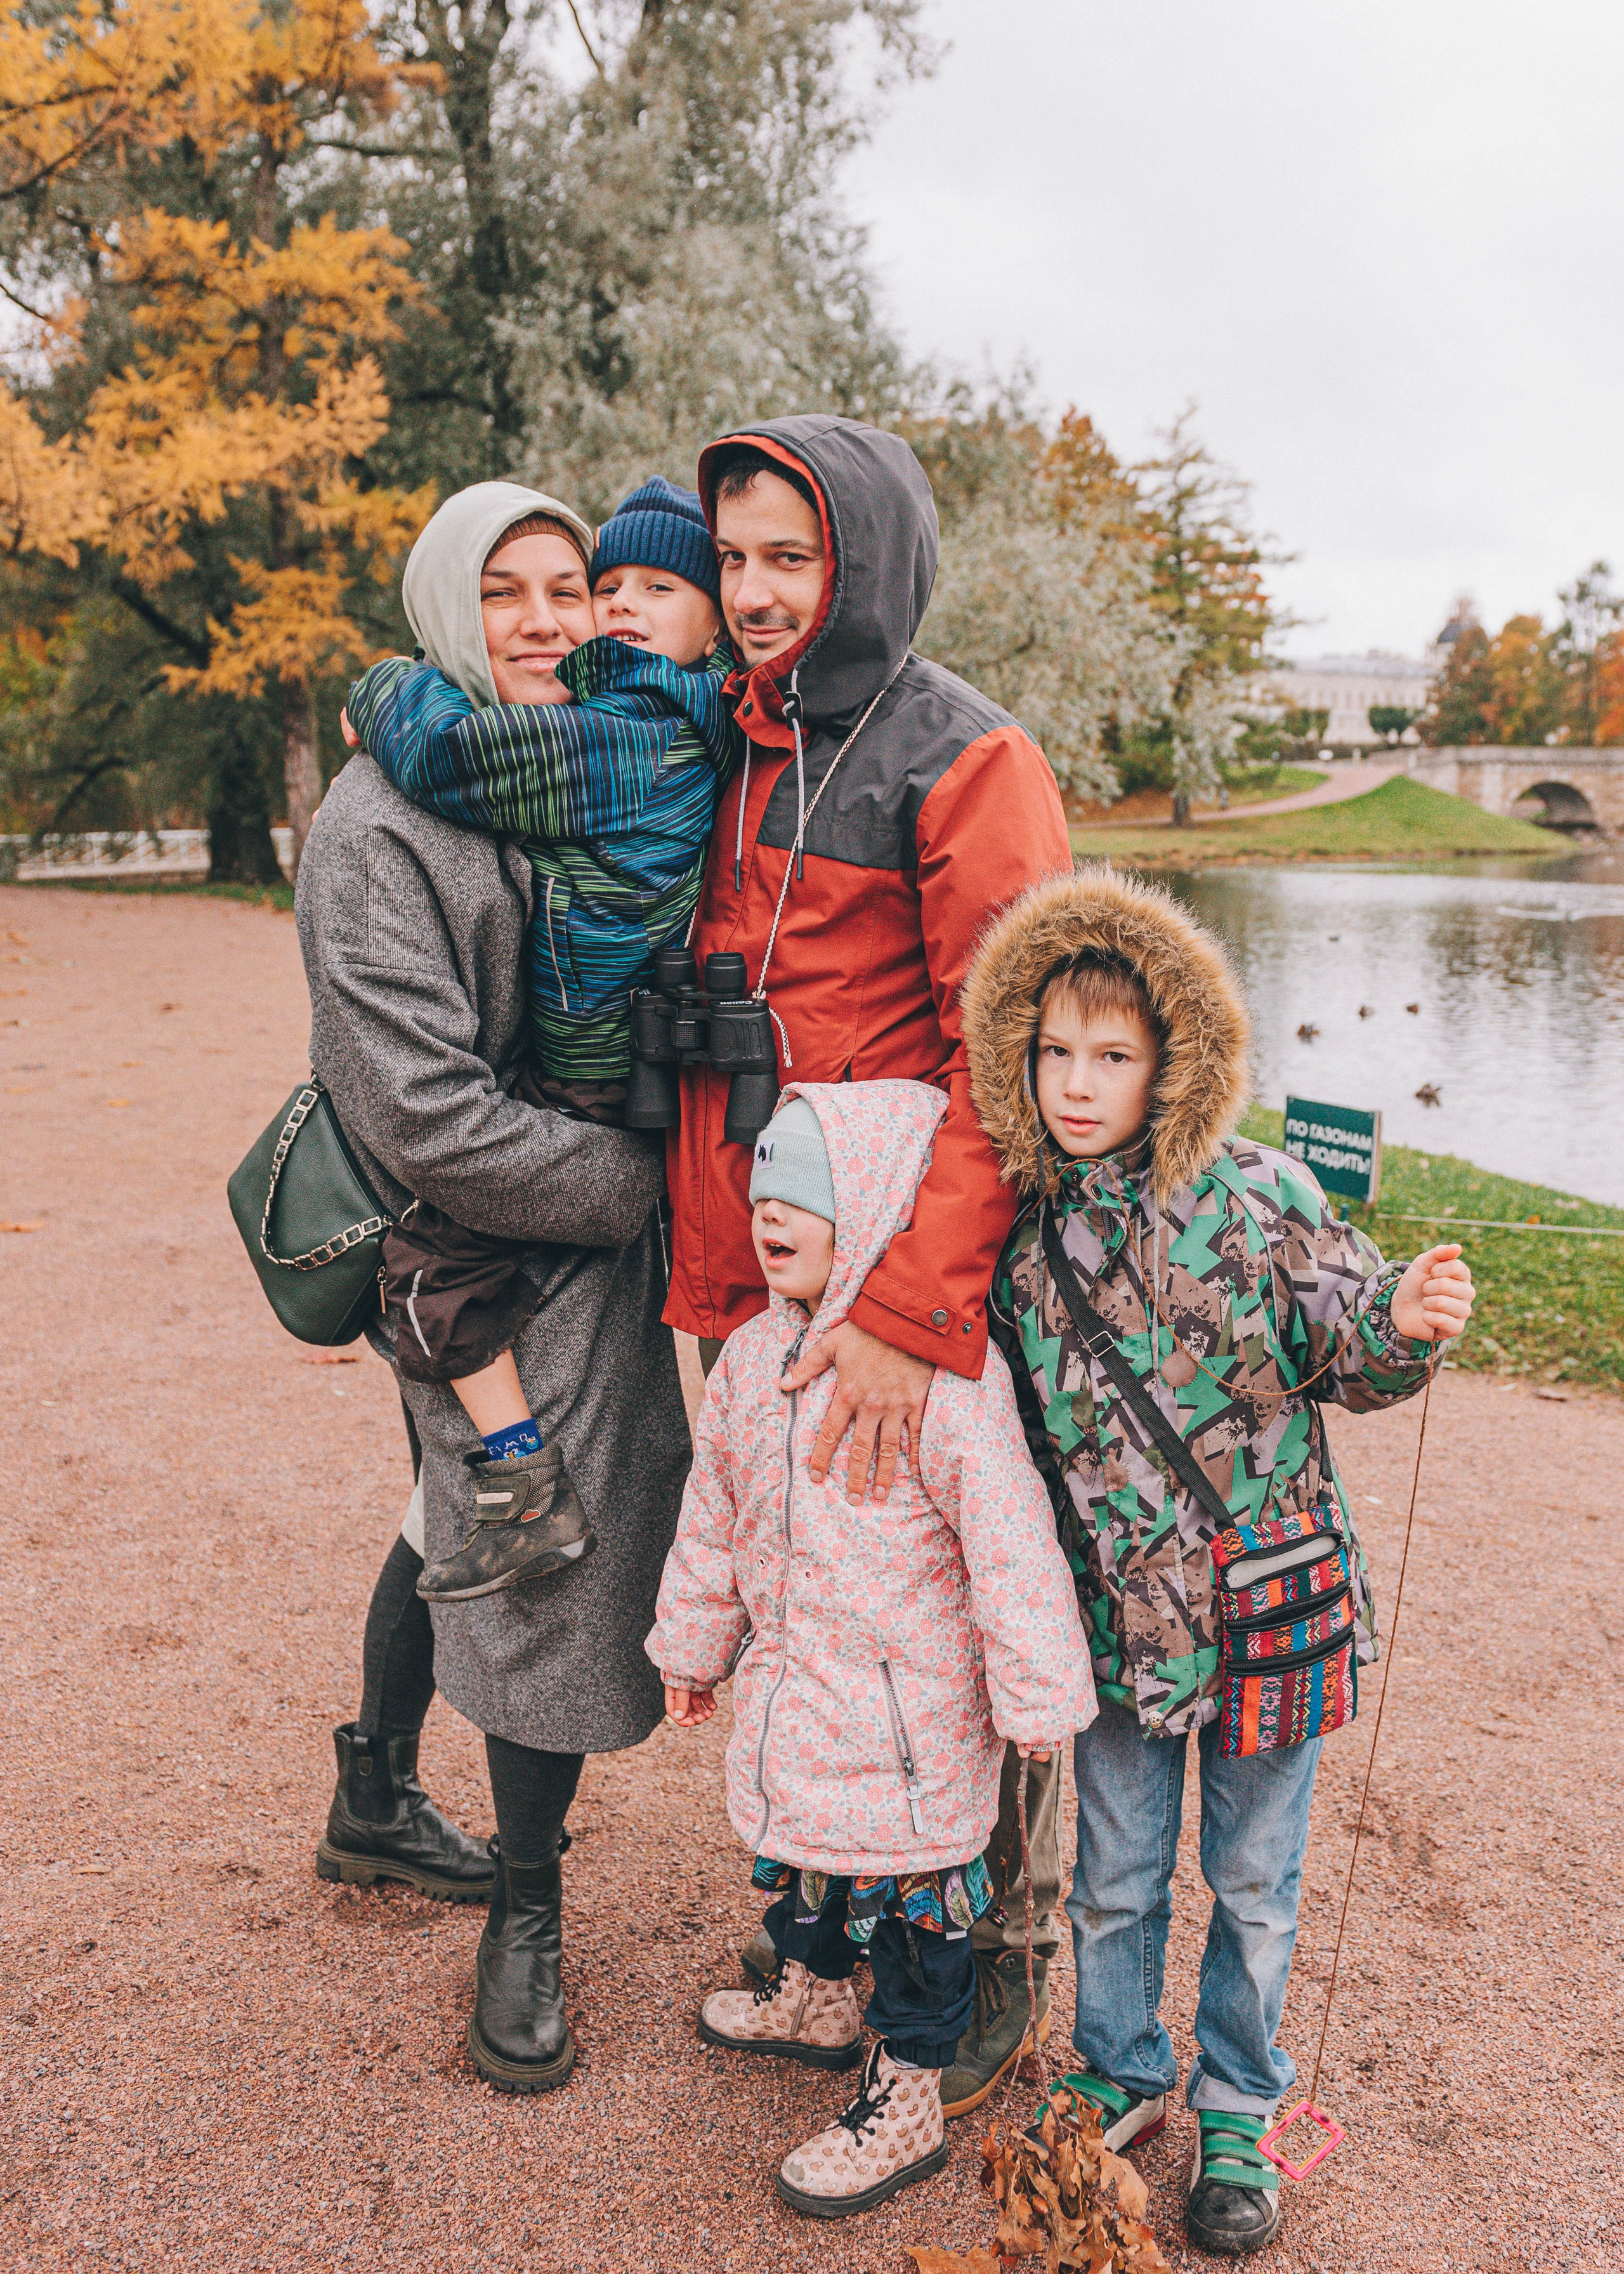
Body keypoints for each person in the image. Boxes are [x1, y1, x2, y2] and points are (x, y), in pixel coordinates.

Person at [959, 864, 1476, 2256]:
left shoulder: (1259, 1194)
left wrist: (1405, 1319)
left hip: (1269, 1611)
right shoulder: (1015, 1238)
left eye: (1111, 1056)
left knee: (1253, 1884)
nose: (1076, 1083)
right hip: (1116, 1629)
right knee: (1114, 1876)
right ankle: (1120, 2064)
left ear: (1169, 1060)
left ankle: (1239, 2100)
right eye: (1053, 1052)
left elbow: (1348, 1342)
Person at [663, 417, 1078, 2096]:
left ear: (867, 560)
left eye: (793, 556)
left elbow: (1010, 1058)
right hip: (764, 1273)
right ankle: (834, 1931)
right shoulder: (734, 734)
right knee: (809, 1608)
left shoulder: (966, 758)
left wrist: (911, 1312)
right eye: (734, 558)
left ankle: (990, 1957)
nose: (755, 592)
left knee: (945, 1617)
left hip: (903, 1283)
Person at [301, 477, 691, 2095]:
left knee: (440, 1513)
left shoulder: (555, 762)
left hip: (558, 1228)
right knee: (544, 1559)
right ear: (447, 606)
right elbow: (422, 1111)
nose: (543, 620)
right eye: (504, 592)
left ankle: (372, 1795)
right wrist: (648, 1190)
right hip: (490, 1250)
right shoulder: (373, 828)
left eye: (567, 586)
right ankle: (527, 1910)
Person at [648, 1082, 1094, 2218]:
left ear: (882, 1208)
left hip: (911, 1729)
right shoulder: (750, 1361)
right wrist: (693, 1647)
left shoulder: (949, 1383)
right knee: (811, 1872)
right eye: (764, 1191)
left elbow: (1012, 1548)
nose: (770, 1213)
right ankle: (816, 1998)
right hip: (802, 1699)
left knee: (913, 1926)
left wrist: (1039, 1701)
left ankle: (906, 2097)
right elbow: (713, 1517)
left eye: (805, 1194)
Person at [339, 478, 738, 1604]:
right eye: (613, 586)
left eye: (656, 590)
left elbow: (453, 761)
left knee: (425, 1273)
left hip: (596, 1063)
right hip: (621, 1051)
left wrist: (382, 688)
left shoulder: (628, 738)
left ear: (714, 624)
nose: (615, 610)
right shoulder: (674, 717)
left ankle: (524, 1489)